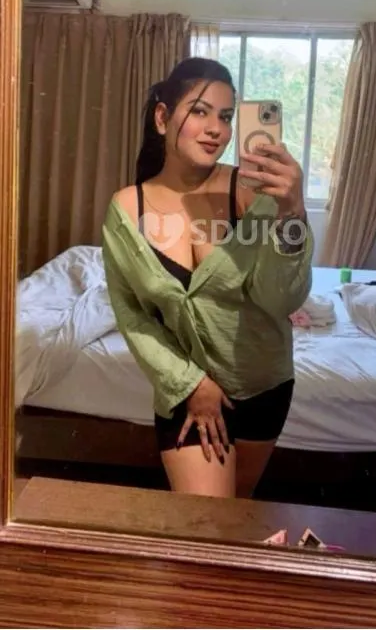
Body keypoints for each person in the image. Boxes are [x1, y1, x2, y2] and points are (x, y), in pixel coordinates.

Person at [102, 56, 313, 499]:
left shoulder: (250, 194)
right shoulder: (127, 209)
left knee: (236, 515)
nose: (216, 129)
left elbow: (281, 299)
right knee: (206, 525)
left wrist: (293, 211)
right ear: (163, 118)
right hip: (185, 392)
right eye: (200, 111)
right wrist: (191, 383)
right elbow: (132, 314)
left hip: (263, 384)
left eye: (226, 116)